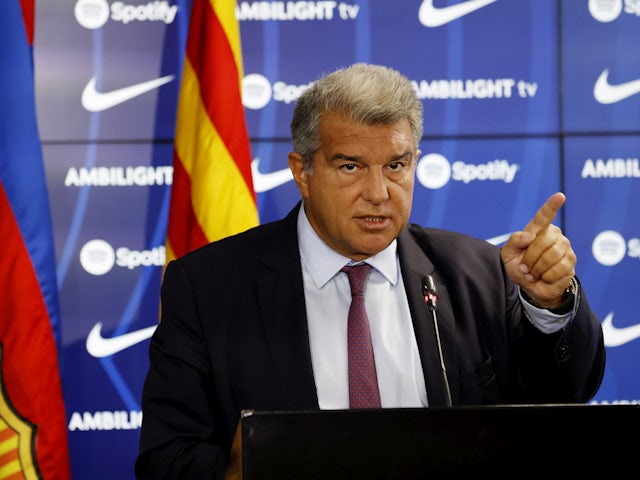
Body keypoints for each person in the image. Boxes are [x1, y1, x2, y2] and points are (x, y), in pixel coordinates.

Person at [135, 63, 606, 479]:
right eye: (350, 167)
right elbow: (165, 459)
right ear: (302, 171)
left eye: (396, 165)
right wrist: (252, 467)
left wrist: (549, 306)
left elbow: (565, 397)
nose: (378, 192)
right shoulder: (209, 288)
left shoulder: (479, 272)